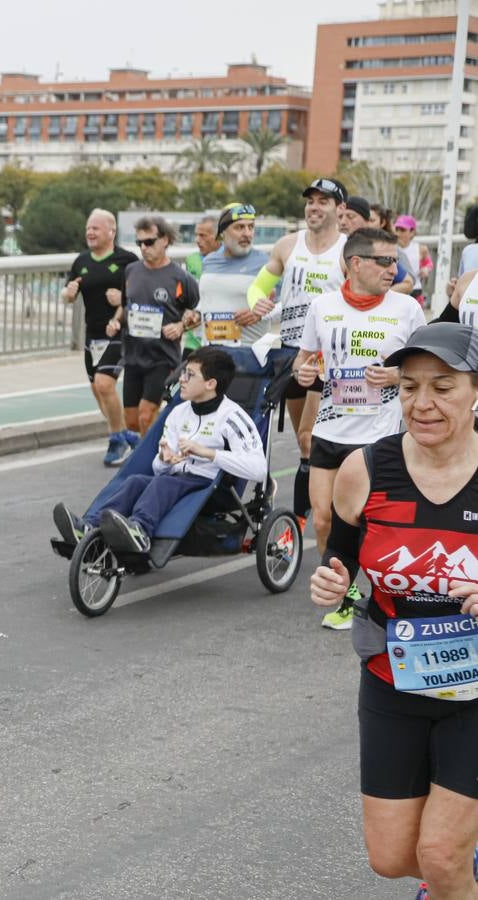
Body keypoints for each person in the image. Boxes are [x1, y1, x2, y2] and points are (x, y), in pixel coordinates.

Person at [308, 322, 478, 900]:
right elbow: (343, 555)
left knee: (441, 856)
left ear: (476, 391)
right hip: (391, 681)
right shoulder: (367, 468)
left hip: (477, 692)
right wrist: (333, 582)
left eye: (444, 387)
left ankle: (456, 865)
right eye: (409, 388)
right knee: (392, 858)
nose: (422, 404)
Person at [294, 226, 427, 630]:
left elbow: (423, 368)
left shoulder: (406, 309)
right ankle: (347, 593)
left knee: (372, 522)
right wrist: (303, 373)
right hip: (332, 427)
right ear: (355, 263)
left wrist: (396, 377)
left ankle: (385, 593)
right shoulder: (323, 306)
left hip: (380, 435)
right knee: (323, 519)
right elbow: (305, 361)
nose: (394, 269)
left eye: (396, 261)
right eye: (385, 261)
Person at [51, 346, 266, 552]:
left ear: (210, 384)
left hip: (212, 487)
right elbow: (160, 469)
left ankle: (140, 531)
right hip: (174, 480)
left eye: (190, 375)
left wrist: (209, 453)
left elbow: (258, 469)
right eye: (184, 373)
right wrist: (164, 459)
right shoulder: (178, 413)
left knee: (164, 483)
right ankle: (89, 527)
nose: (181, 379)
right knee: (136, 481)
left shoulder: (233, 417)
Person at [247, 177, 348, 528]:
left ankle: (309, 513)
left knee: (310, 434)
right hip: (292, 350)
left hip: (330, 355)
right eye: (310, 201)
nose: (314, 207)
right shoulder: (288, 245)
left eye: (324, 201)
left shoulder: (348, 250)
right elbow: (259, 287)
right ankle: (314, 504)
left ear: (340, 210)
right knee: (304, 443)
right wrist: (257, 303)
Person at [110, 215, 201, 437]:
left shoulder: (181, 278)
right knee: (131, 420)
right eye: (139, 243)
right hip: (133, 355)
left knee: (146, 414)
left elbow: (196, 314)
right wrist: (115, 320)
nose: (144, 248)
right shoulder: (131, 271)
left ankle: (151, 464)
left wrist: (180, 326)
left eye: (149, 242)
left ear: (165, 240)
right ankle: (159, 446)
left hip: (162, 357)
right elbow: (125, 306)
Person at [62, 209, 140, 466]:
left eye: (96, 228)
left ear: (111, 231)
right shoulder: (81, 261)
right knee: (98, 389)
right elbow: (68, 295)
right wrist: (69, 293)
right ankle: (128, 434)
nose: (90, 232)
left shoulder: (127, 260)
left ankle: (117, 439)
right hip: (93, 334)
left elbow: (139, 295)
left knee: (104, 384)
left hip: (120, 332)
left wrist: (121, 305)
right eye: (88, 228)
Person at [197, 203, 272, 348]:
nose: (247, 233)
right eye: (239, 227)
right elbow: (210, 299)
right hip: (211, 353)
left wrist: (260, 314)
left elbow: (288, 306)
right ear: (223, 232)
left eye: (251, 227)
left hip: (249, 355)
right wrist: (195, 312)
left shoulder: (266, 263)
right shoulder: (209, 261)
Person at [180, 215, 221, 360]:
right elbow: (185, 294)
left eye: (203, 235)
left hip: (220, 336)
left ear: (218, 236)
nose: (197, 240)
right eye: (196, 235)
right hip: (193, 338)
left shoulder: (230, 261)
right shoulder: (192, 259)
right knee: (183, 380)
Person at [393, 214, 432, 308]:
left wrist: (426, 269)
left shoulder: (421, 248)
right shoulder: (391, 247)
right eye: (397, 229)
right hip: (398, 288)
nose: (398, 233)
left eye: (402, 230)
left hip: (415, 290)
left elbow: (429, 263)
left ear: (412, 232)